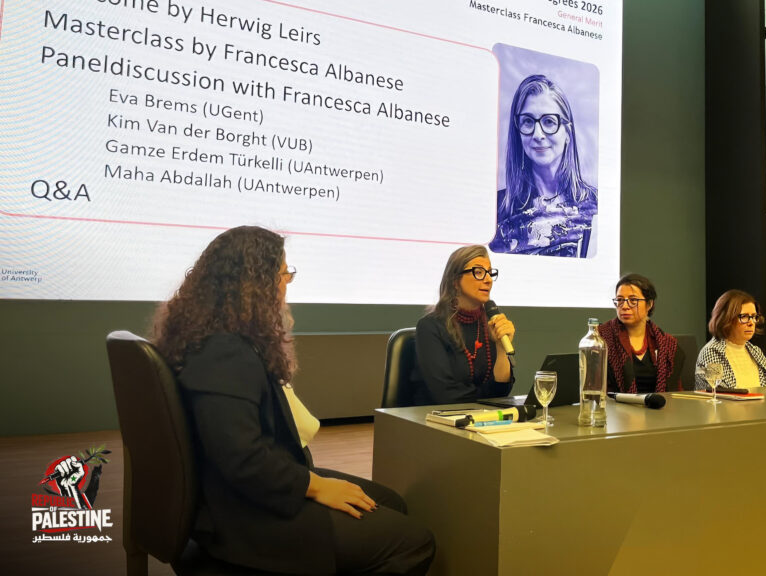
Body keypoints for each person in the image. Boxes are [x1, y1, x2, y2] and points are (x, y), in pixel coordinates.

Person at [151, 226, 434, 575]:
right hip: (245, 517)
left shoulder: (212, 339)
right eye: (285, 274)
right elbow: (243, 460)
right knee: (416, 543)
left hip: (240, 493)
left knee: (392, 503)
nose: (287, 284)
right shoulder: (224, 351)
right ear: (257, 284)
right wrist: (316, 486)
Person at [489, 74, 597, 258]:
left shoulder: (596, 205)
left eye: (549, 122)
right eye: (528, 121)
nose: (538, 134)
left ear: (567, 133)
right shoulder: (496, 210)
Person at [412, 245, 515, 404]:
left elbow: (502, 391)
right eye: (479, 272)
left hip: (483, 415)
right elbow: (446, 395)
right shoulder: (430, 327)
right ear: (455, 281)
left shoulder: (489, 324)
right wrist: (487, 399)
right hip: (438, 416)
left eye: (489, 273)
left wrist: (501, 349)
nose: (488, 280)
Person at [597, 274, 684, 393]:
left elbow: (675, 391)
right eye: (620, 300)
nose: (625, 306)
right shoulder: (601, 338)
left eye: (633, 300)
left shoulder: (667, 344)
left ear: (649, 304)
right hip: (614, 404)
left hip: (660, 404)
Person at [695, 290, 766, 390]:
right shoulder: (711, 352)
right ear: (726, 319)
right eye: (744, 316)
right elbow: (720, 393)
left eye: (754, 317)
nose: (751, 323)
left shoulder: (756, 351)